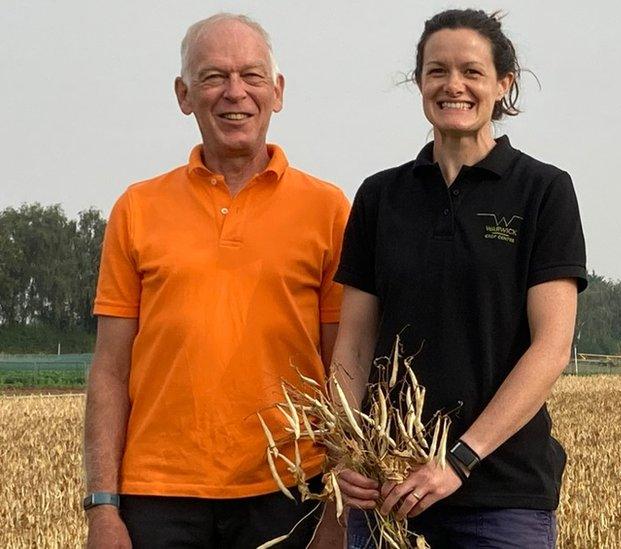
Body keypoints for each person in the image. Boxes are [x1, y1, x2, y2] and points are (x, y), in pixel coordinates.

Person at [84, 13, 348, 548]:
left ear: (277, 92)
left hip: (291, 490)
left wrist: (338, 509)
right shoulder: (137, 209)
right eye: (213, 77)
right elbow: (110, 370)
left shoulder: (328, 209)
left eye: (252, 76)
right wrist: (103, 508)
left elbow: (344, 368)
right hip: (157, 496)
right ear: (184, 95)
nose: (235, 93)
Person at [333, 9, 586, 548]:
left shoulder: (544, 191)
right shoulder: (380, 197)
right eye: (436, 71)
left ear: (503, 84)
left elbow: (551, 347)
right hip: (388, 492)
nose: (454, 85)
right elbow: (353, 341)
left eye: (472, 71)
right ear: (420, 83)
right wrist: (347, 451)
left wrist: (459, 460)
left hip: (501, 496)